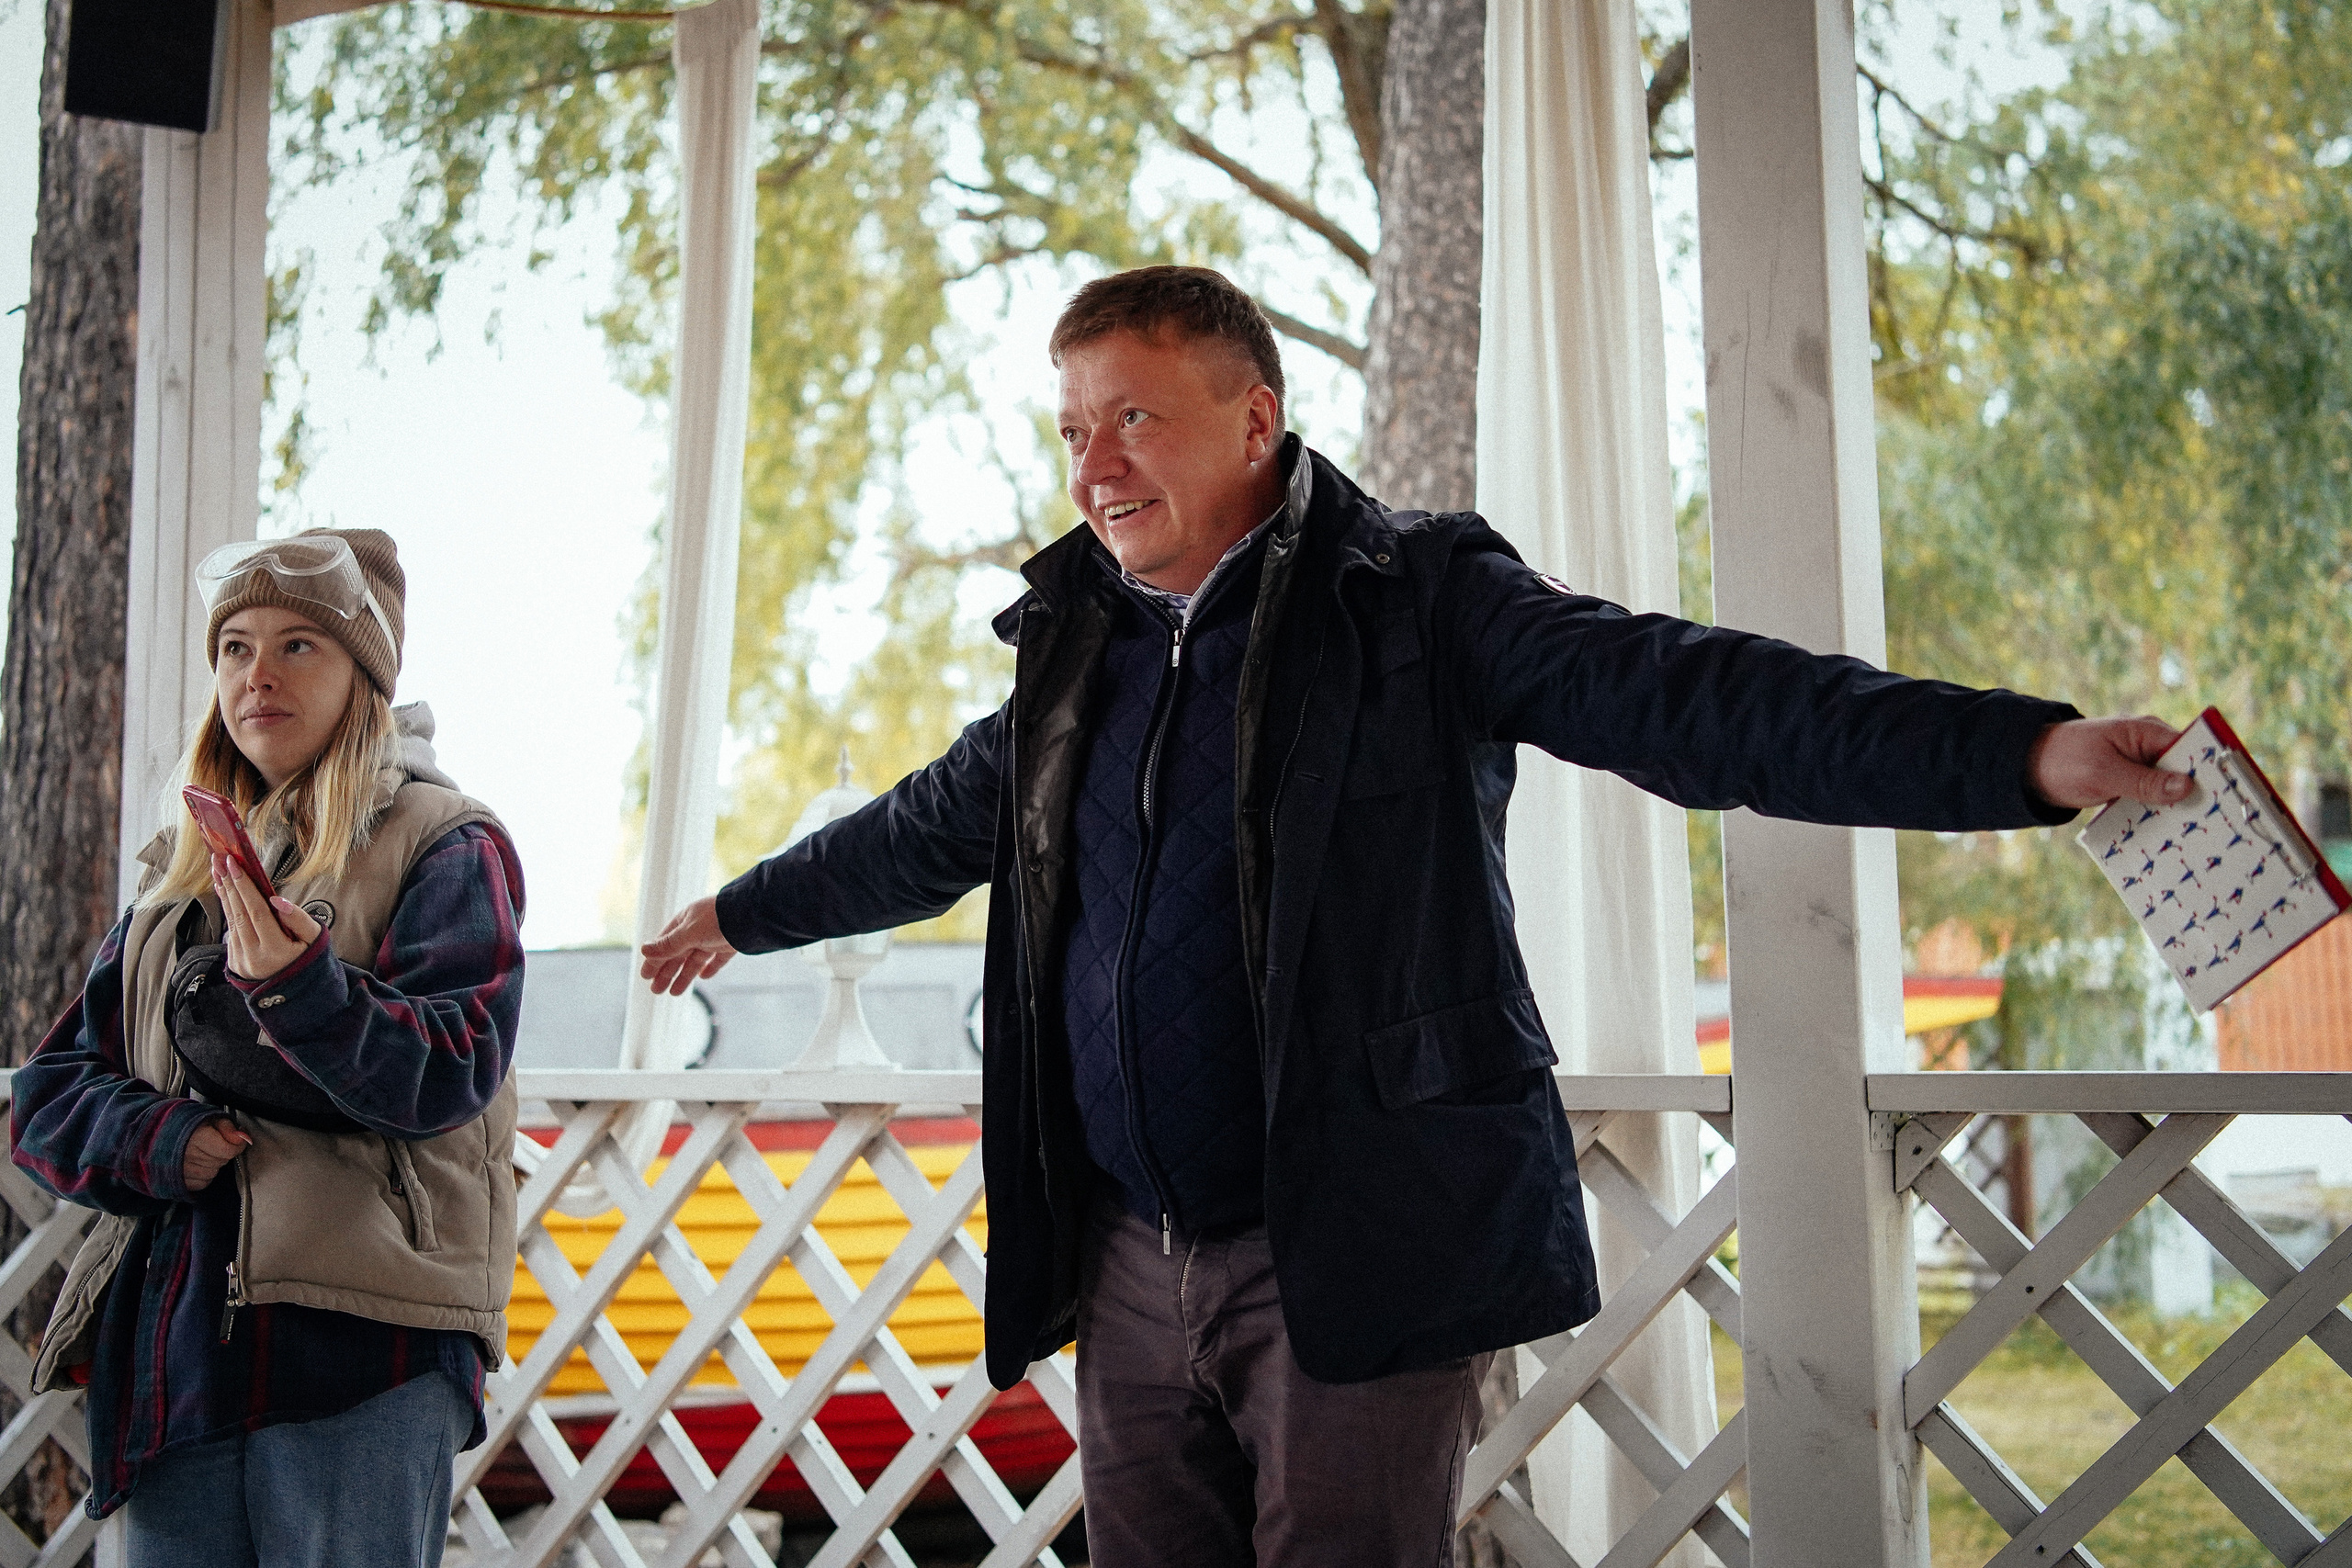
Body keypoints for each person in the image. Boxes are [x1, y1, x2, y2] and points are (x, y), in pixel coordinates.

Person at [640, 266, 2184, 1566]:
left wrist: (2018, 754)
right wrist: (739, 908)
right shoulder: (1073, 656)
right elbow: (922, 828)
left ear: (1254, 419)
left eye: (1133, 419)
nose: (1095, 468)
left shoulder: (1420, 593)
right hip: (1123, 1260)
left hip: (1358, 1246)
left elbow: (1693, 695)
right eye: (1072, 430)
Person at [12, 528, 526, 1568]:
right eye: (236, 647)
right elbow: (51, 1090)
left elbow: (452, 1066)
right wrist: (166, 1140)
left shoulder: (445, 840)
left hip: (359, 1351)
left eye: (300, 646)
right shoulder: (179, 875)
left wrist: (302, 992)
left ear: (363, 678)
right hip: (179, 1356)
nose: (258, 674)